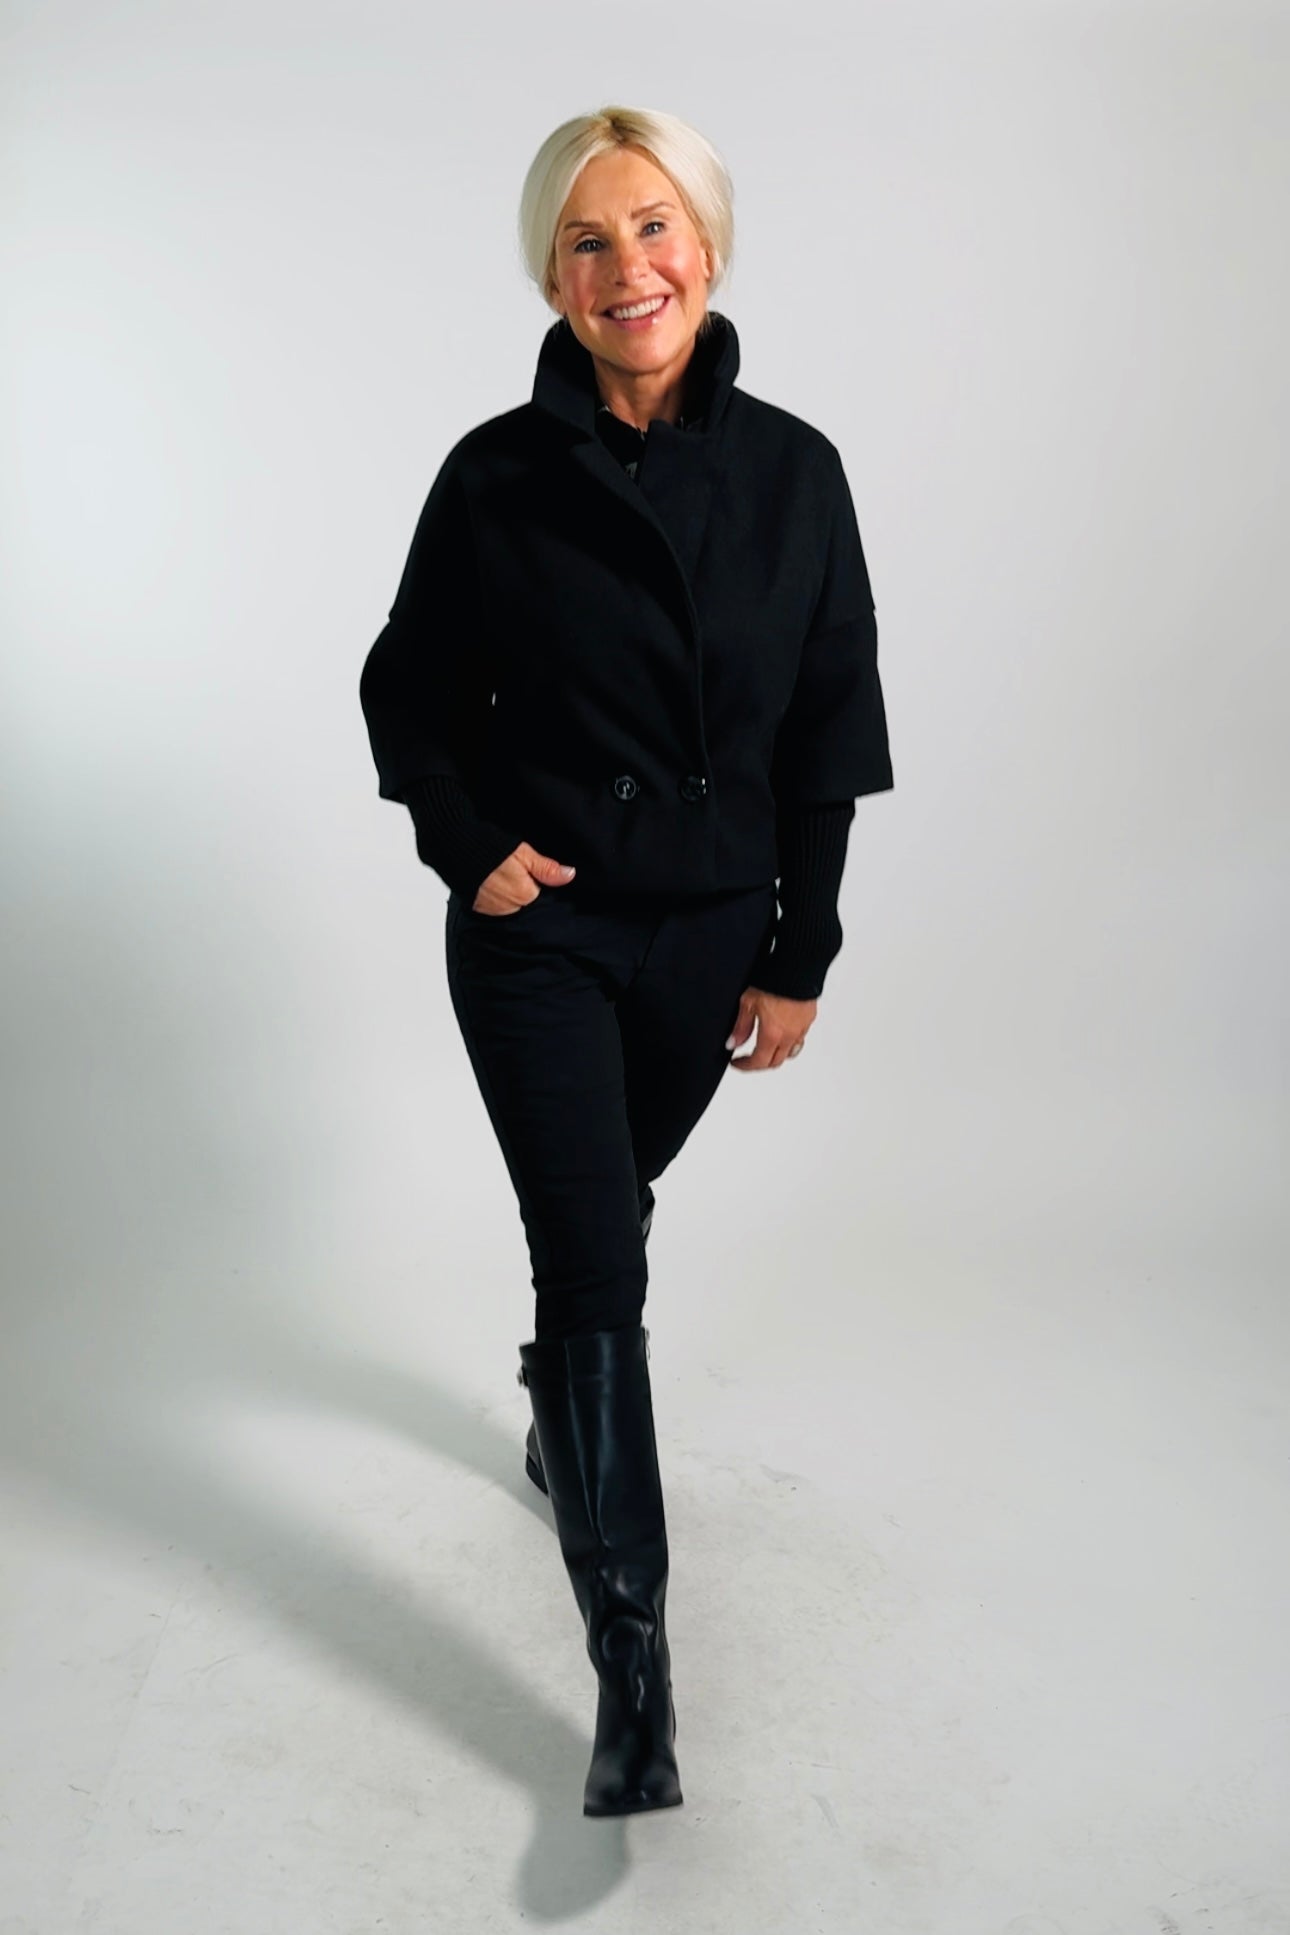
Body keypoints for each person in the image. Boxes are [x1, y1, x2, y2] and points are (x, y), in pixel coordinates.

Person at [359, 104, 893, 1820]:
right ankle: (632, 1670)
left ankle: (555, 1418)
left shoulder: (796, 472)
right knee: (593, 1262)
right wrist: (468, 845)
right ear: (552, 279)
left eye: (652, 227)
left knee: (610, 1204)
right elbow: (404, 687)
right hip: (542, 932)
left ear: (706, 250)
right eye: (585, 241)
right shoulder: (494, 475)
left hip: (710, 932)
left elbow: (828, 731)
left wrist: (800, 949)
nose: (625, 267)